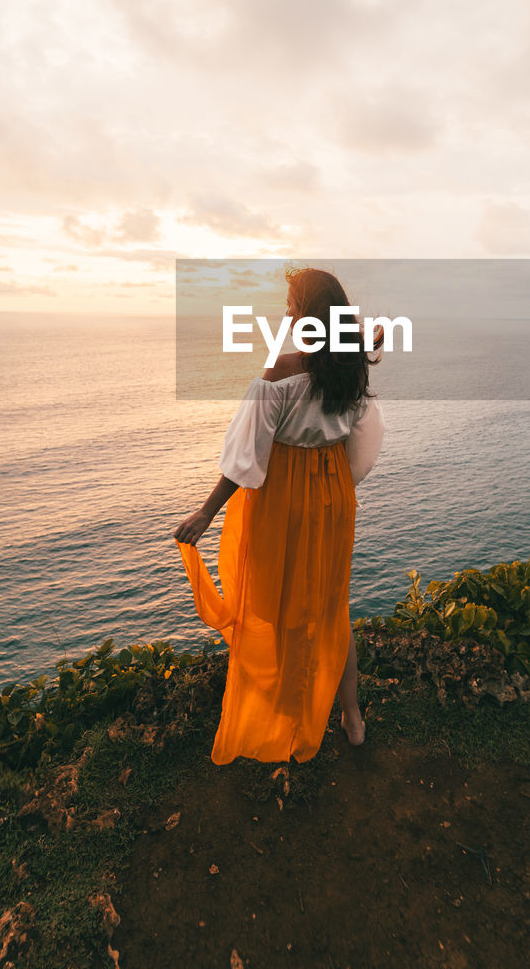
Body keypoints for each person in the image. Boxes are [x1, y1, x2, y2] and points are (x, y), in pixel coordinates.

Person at [174, 266, 385, 765]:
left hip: (283, 498)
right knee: (331, 609)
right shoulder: (352, 369)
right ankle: (351, 717)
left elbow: (247, 456)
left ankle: (282, 716)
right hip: (333, 497)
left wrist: (206, 512)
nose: (286, 312)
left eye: (291, 303)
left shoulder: (278, 375)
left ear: (309, 313)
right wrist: (336, 485)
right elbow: (364, 438)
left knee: (272, 607)